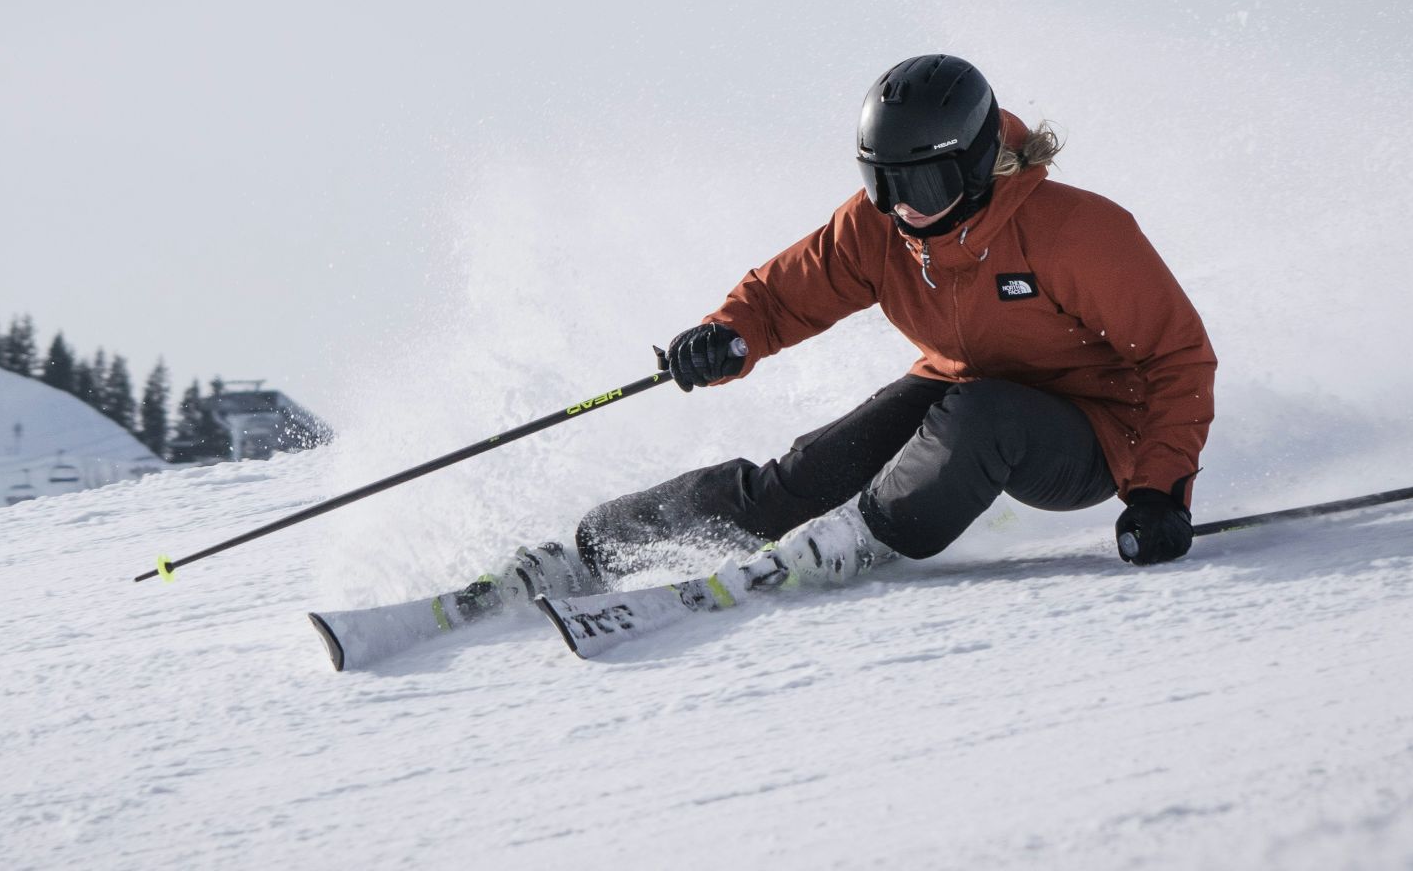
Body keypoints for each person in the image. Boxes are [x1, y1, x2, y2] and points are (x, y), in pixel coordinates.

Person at [495, 54, 1216, 605]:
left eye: (921, 187)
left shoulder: (1077, 233)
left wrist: (1158, 494)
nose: (901, 209)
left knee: (984, 414)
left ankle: (857, 539)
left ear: (970, 169)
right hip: (956, 389)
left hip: (1091, 434)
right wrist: (728, 336)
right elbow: (783, 296)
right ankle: (597, 547)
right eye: (884, 184)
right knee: (801, 478)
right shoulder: (881, 230)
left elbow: (1178, 358)